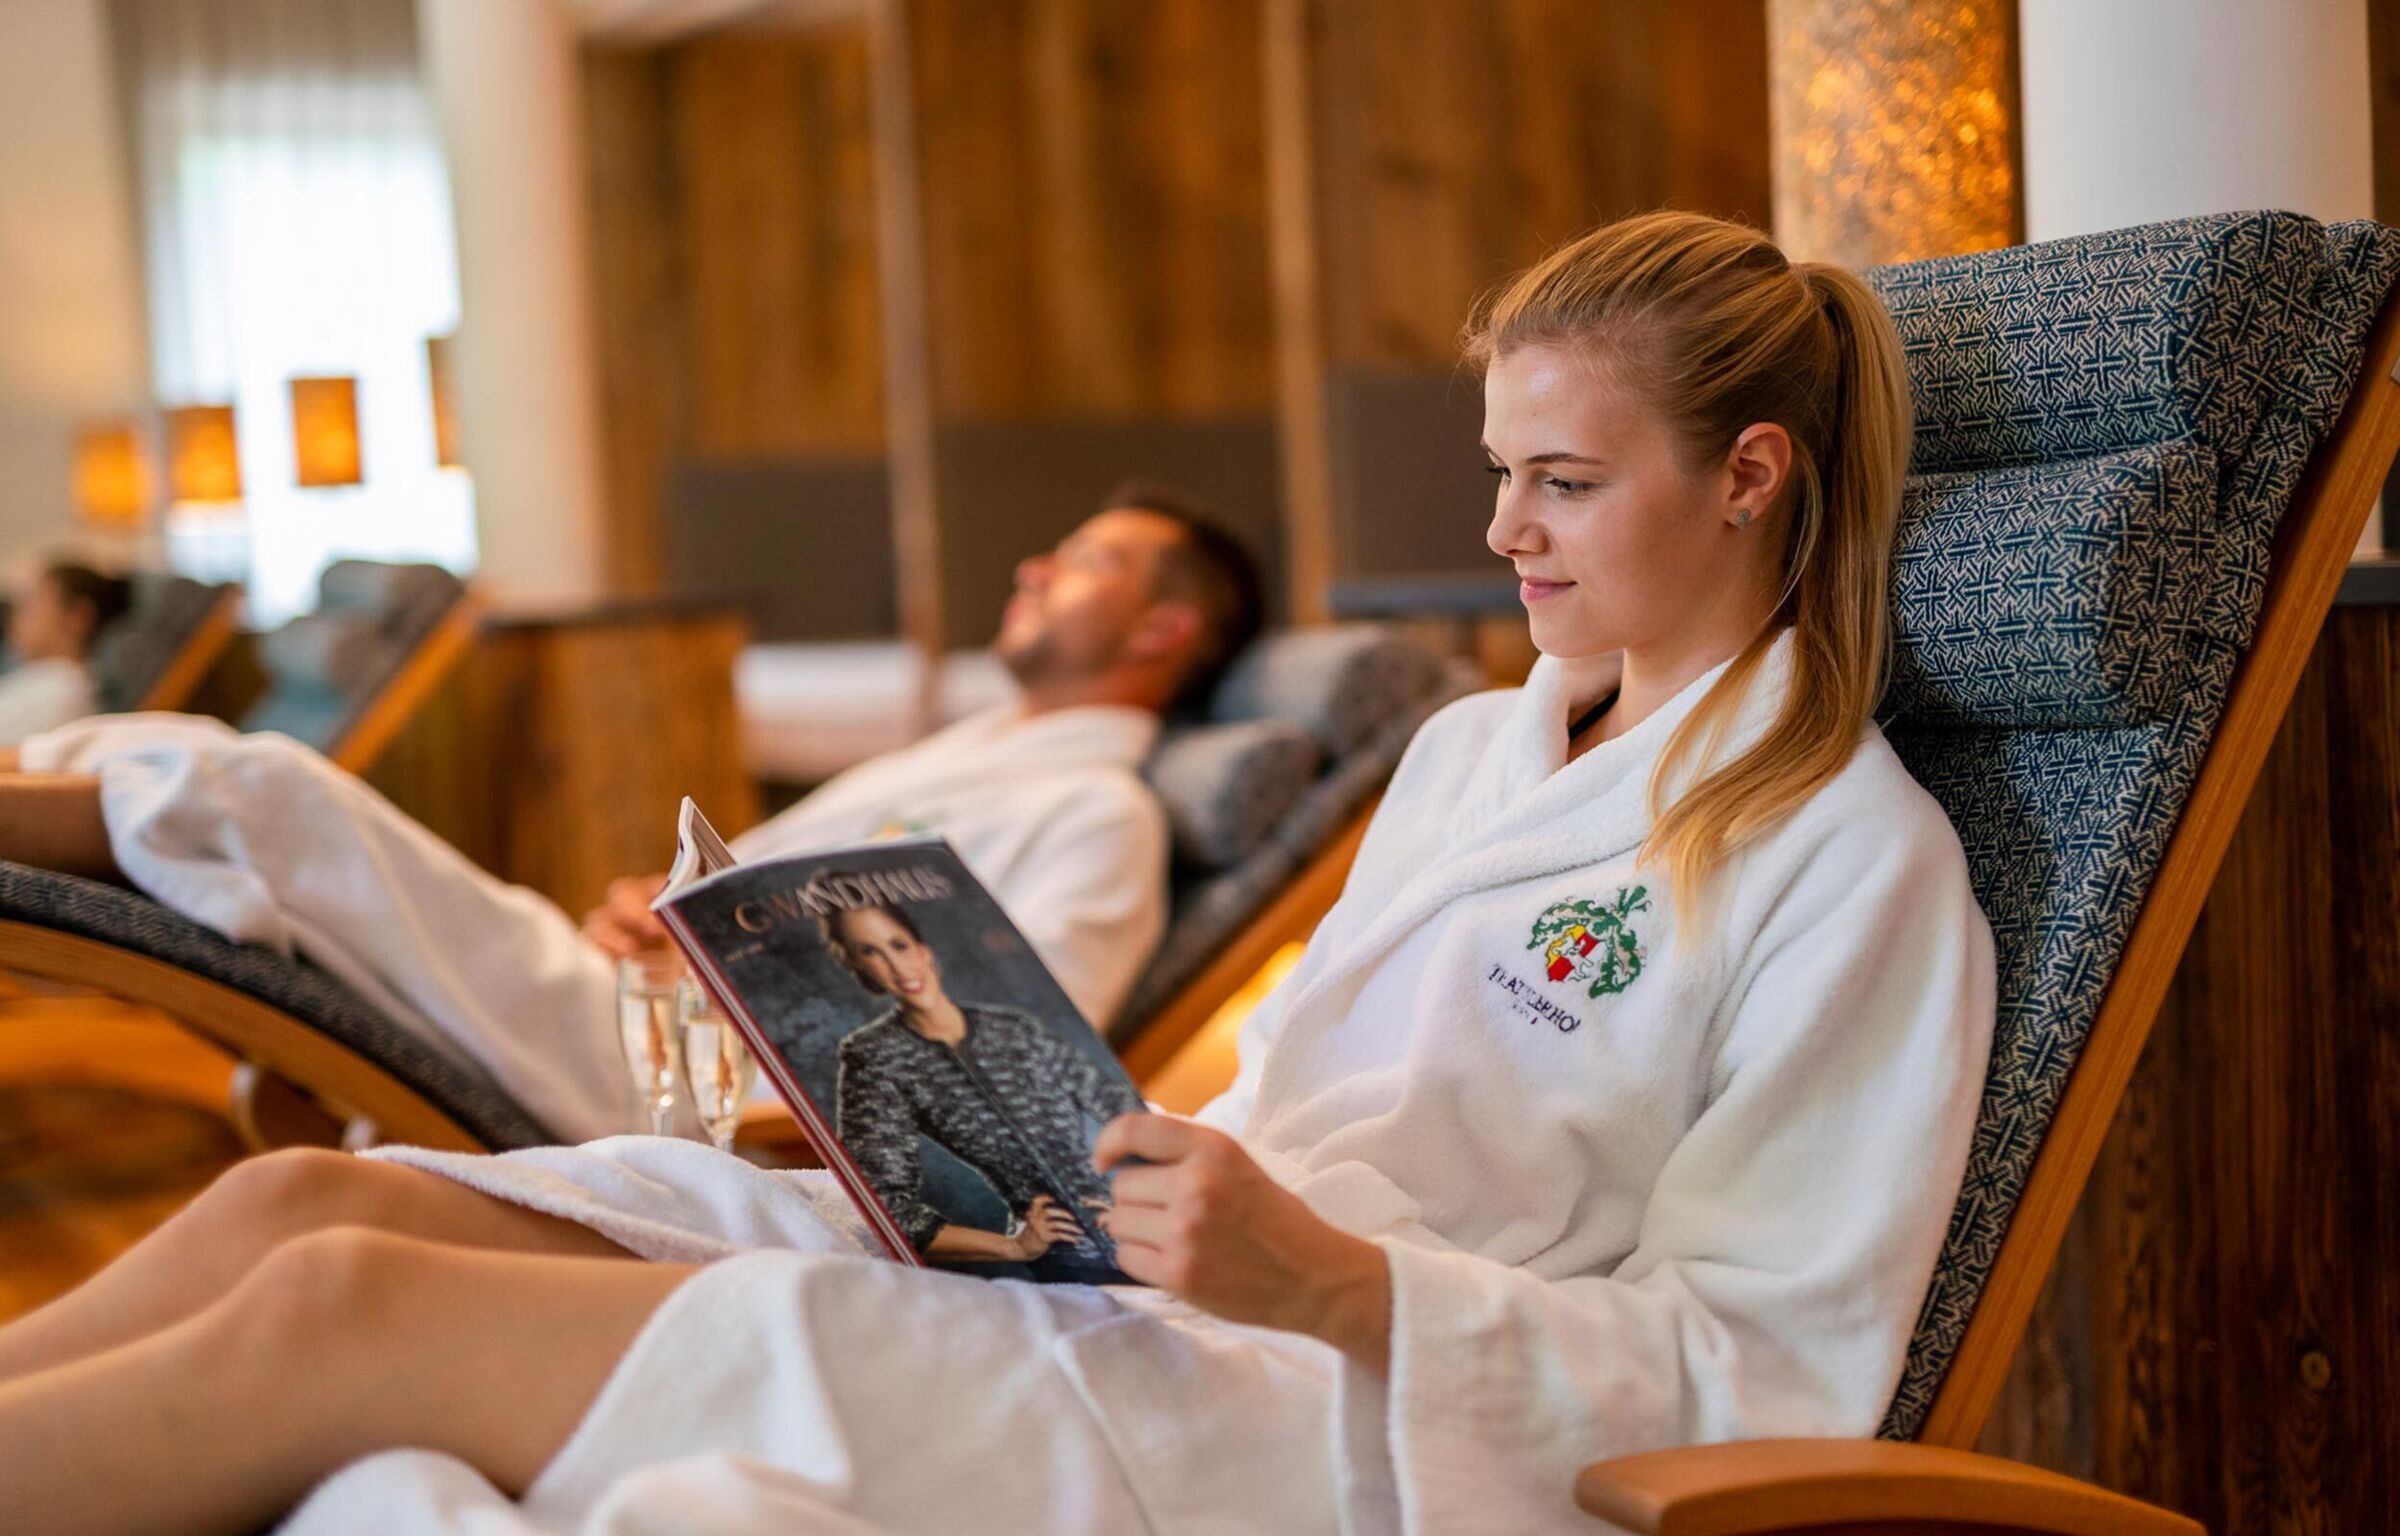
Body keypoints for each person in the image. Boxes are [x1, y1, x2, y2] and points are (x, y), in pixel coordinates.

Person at [0, 211, 1996, 1535]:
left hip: (1320, 1419)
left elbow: (1768, 1377)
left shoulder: (1851, 867)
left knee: (344, 1317)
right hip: (1131, 1285)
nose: (1504, 531)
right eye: (1502, 472)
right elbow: (1292, 1076)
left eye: (1564, 482)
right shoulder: (1483, 746)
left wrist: (1335, 1282)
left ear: (1750, 474)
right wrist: (1027, 1147)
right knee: (293, 1201)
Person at [0, 491, 1264, 1139]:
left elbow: (1012, 1080)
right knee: (210, 755)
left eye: (1090, 561)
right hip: (620, 1000)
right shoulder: (975, 749)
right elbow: (746, 883)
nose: (1035, 565)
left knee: (261, 789)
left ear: (1166, 631)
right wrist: (666, 914)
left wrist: (740, 975)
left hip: (683, 1087)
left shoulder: (1100, 816)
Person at [822, 900, 1144, 1275]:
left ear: (922, 949)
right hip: (1068, 1259)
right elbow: (879, 1199)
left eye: (899, 945)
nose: (896, 966)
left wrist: (1132, 1191)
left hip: (1145, 1222)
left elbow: (1122, 1108)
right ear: (858, 967)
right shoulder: (874, 1058)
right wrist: (1014, 1247)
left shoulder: (1014, 1029)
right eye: (870, 952)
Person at [0, 560, 129, 745]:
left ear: (78, 617)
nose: (17, 614)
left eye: (33, 601)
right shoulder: (39, 677)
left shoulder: (63, 691)